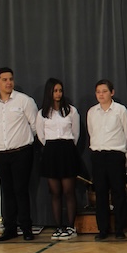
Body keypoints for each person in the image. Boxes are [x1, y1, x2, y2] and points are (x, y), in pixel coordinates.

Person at [0, 67, 39, 242]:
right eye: (4, 79)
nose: (8, 83)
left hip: (21, 152)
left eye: (11, 79)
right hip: (0, 154)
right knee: (7, 191)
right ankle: (10, 228)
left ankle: (26, 228)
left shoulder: (24, 101)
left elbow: (35, 125)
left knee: (21, 190)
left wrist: (23, 139)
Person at [86, 79, 127, 241]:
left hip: (115, 155)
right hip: (98, 155)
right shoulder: (92, 112)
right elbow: (91, 132)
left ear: (112, 93)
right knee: (101, 193)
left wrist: (120, 150)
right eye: (98, 92)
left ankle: (120, 229)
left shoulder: (120, 110)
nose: (101, 95)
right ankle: (103, 229)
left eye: (104, 91)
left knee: (118, 192)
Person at [36, 78, 80, 240]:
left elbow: (75, 133)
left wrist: (66, 145)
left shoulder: (71, 111)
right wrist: (51, 147)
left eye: (60, 90)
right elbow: (41, 135)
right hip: (51, 152)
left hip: (67, 150)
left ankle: (70, 226)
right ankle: (58, 226)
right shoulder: (42, 113)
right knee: (55, 192)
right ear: (49, 92)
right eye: (55, 91)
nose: (58, 94)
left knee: (69, 191)